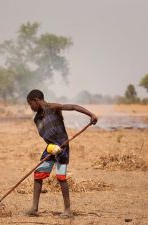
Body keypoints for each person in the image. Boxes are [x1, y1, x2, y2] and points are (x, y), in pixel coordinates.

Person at [26, 89, 98, 218]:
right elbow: (46, 135)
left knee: (61, 177)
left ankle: (67, 210)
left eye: (30, 104)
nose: (30, 107)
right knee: (38, 174)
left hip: (62, 147)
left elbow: (74, 107)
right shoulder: (37, 118)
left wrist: (91, 114)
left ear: (36, 101)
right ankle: (34, 208)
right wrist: (51, 148)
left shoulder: (53, 108)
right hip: (50, 148)